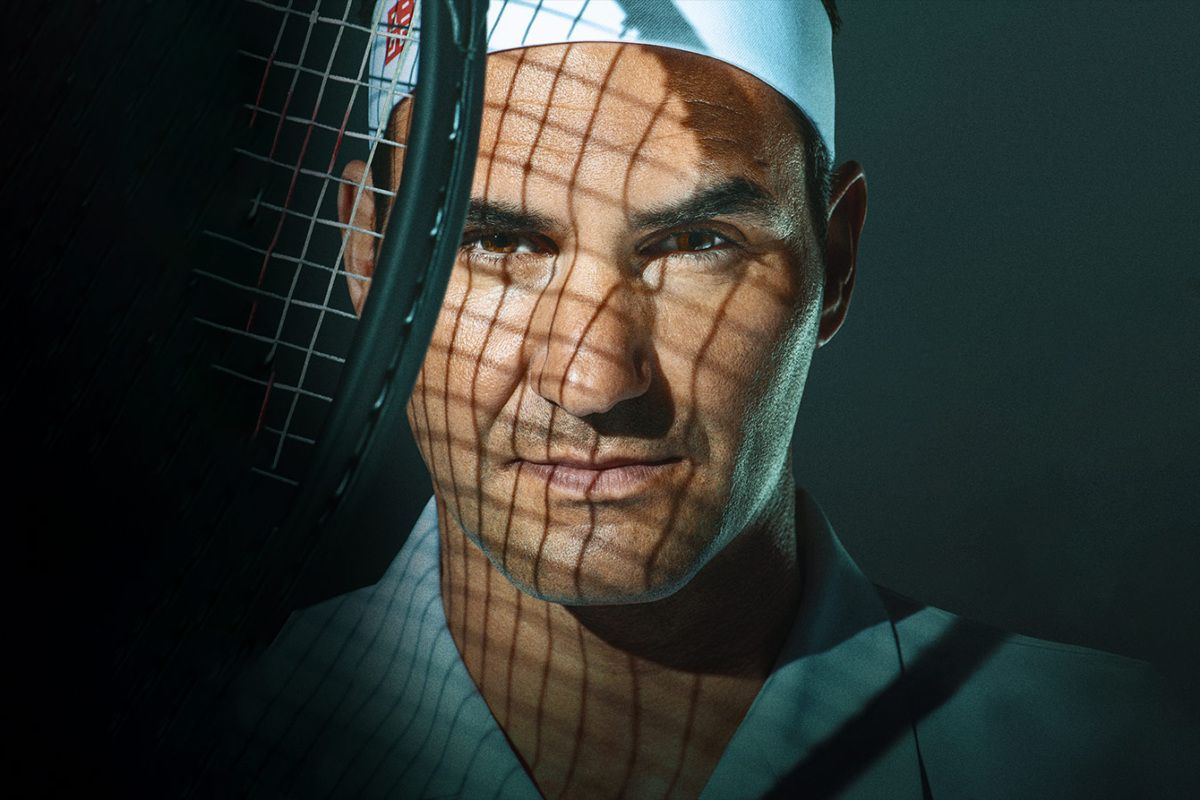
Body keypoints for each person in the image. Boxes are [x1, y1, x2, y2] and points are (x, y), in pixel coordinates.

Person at [221, 2, 1198, 797]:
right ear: (368, 250)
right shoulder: (189, 747)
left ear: (836, 260)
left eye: (696, 245)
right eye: (500, 242)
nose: (594, 379)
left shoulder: (1117, 761)